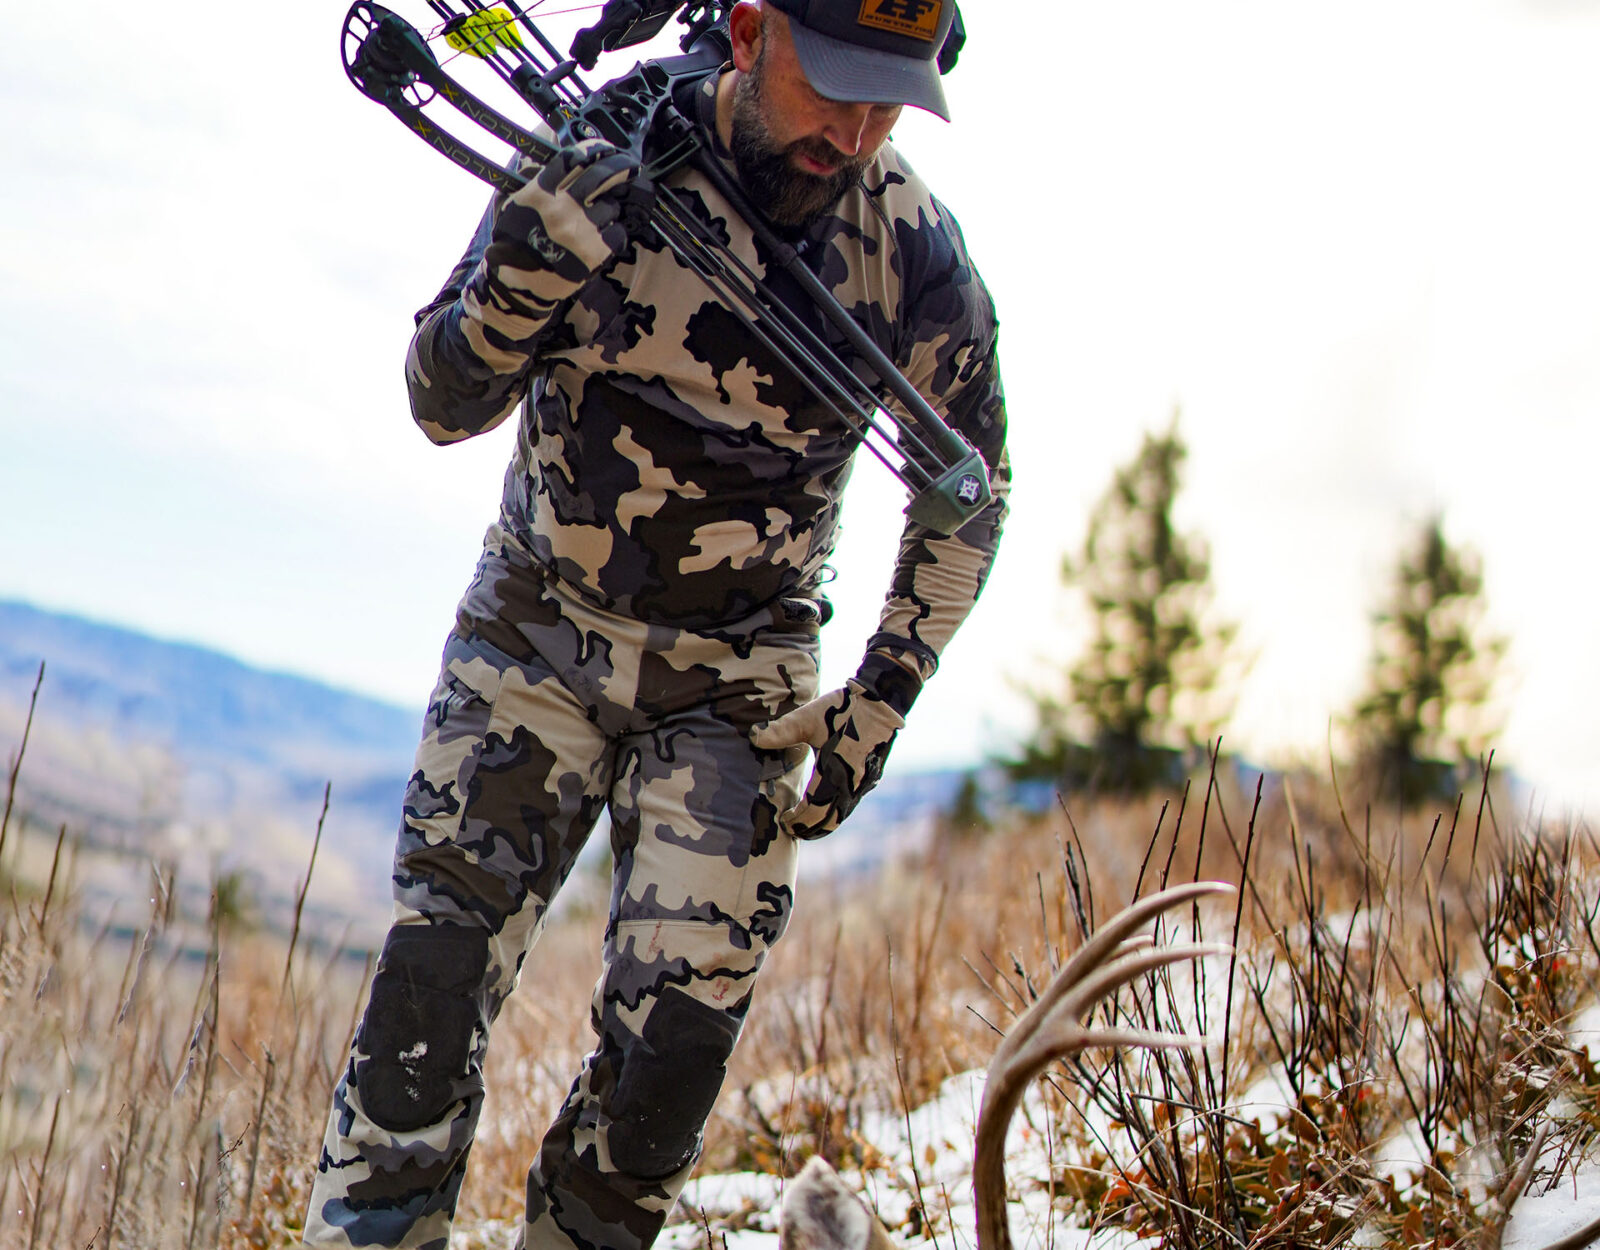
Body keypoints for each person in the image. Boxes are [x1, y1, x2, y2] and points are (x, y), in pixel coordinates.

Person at [303, 0, 1009, 1246]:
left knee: (669, 1059)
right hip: (535, 631)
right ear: (747, 34)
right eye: (833, 86)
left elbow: (971, 494)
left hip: (739, 683)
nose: (854, 134)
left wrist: (883, 693)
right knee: (428, 997)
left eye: (888, 103)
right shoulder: (591, 152)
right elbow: (439, 398)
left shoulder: (917, 259)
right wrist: (518, 288)